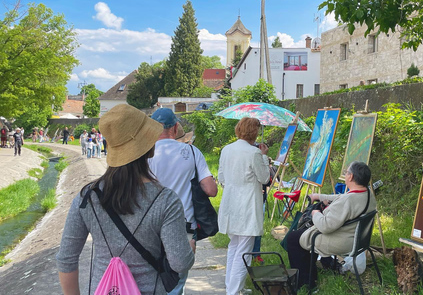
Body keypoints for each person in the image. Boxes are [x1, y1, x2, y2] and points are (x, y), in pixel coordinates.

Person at [56, 104, 194, 294]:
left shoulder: (88, 196)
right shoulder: (166, 200)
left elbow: (66, 259)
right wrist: (189, 247)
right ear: (148, 146)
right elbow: (180, 263)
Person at [148, 108, 217, 295]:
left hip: (150, 227)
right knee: (176, 284)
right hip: (184, 227)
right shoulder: (192, 152)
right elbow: (211, 190)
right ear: (176, 127)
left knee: (150, 280)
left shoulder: (145, 154)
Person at [286, 161, 377, 288]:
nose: (345, 175)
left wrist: (315, 213)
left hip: (342, 241)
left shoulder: (348, 201)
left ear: (350, 177)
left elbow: (325, 226)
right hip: (358, 240)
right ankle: (313, 272)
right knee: (301, 235)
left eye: (346, 173)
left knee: (293, 239)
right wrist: (319, 196)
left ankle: (305, 283)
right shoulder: (368, 194)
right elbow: (342, 198)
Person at [218, 117, 270, 295]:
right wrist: (264, 158)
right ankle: (233, 291)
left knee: (234, 246)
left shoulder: (226, 149)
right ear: (255, 132)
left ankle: (232, 286)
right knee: (244, 250)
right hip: (247, 204)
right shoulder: (254, 153)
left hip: (230, 202)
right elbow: (264, 178)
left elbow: (222, 178)